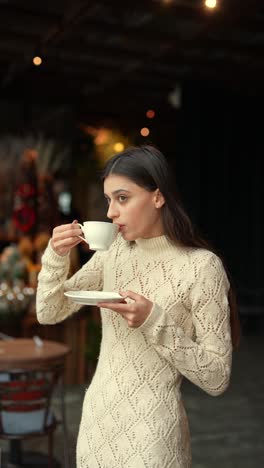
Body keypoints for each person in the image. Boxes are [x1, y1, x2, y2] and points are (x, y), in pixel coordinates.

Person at [36, 145, 240, 468]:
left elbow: (216, 377)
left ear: (158, 197)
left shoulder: (202, 268)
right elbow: (49, 311)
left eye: (122, 198)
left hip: (153, 438)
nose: (110, 213)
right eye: (108, 200)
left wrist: (154, 320)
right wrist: (56, 257)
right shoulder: (113, 253)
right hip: (96, 427)